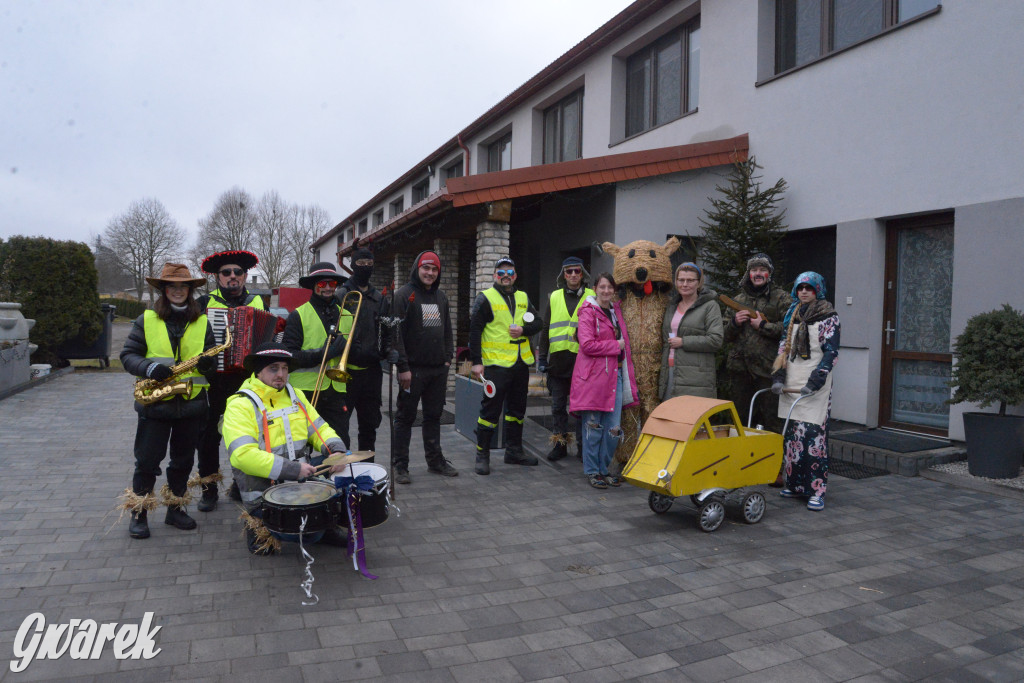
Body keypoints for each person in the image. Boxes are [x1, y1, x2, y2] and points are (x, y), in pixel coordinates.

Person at [222, 342, 350, 554]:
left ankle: (325, 525)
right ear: (259, 371)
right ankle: (257, 525)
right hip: (263, 487)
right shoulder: (240, 404)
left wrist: (335, 450)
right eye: (273, 368)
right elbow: (242, 456)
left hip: (299, 477)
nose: (281, 374)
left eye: (284, 368)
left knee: (346, 470)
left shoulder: (296, 395)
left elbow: (320, 429)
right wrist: (293, 470)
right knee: (271, 543)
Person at [119, 263, 216, 539]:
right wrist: (149, 368)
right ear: (164, 290)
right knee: (147, 462)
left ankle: (176, 509)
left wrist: (209, 364)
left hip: (191, 403)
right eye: (172, 286)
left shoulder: (202, 321)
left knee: (183, 461)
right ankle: (139, 512)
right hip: (156, 403)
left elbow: (210, 361)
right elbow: (128, 355)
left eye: (182, 286)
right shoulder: (146, 320)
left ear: (190, 290)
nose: (177, 291)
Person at [193, 249, 265, 512]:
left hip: (246, 383)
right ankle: (209, 490)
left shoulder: (258, 302)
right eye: (226, 273)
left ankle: (240, 484)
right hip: (213, 382)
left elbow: (266, 338)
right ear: (218, 277)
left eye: (238, 272)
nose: (232, 277)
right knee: (208, 438)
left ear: (245, 276)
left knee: (247, 437)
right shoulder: (203, 303)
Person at [771, 271, 840, 512]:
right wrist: (779, 375)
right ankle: (794, 484)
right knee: (792, 438)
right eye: (800, 287)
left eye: (809, 288)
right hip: (793, 379)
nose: (803, 292)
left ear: (817, 290)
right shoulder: (792, 314)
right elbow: (783, 346)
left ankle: (816, 490)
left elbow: (831, 352)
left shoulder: (828, 316)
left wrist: (816, 380)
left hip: (815, 382)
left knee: (813, 438)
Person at [469, 257, 544, 475]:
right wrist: (476, 362)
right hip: (495, 365)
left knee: (517, 411)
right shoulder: (486, 298)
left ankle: (514, 451)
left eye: (509, 272)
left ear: (515, 275)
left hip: (520, 364)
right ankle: (482, 454)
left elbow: (538, 322)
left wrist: (523, 330)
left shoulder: (523, 297)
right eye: (501, 273)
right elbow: (474, 331)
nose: (505, 276)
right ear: (494, 276)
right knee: (489, 412)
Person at [391, 250, 458, 484]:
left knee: (433, 416)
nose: (430, 273)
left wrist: (448, 359)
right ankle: (400, 466)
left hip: (438, 370)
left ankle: (435, 462)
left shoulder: (441, 297)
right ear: (417, 269)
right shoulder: (403, 295)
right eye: (426, 268)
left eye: (434, 269)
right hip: (412, 371)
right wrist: (403, 367)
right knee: (405, 418)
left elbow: (447, 331)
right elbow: (395, 335)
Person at [569, 273, 639, 489]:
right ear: (595, 288)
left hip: (614, 376)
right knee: (593, 425)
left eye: (610, 287)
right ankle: (592, 471)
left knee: (613, 427)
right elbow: (587, 345)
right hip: (593, 377)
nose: (606, 291)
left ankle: (604, 468)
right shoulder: (587, 313)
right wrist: (614, 346)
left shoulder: (616, 312)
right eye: (602, 287)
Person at [283, 262, 353, 446]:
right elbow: (290, 356)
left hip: (336, 390)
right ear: (314, 286)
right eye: (322, 284)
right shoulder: (298, 315)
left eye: (332, 284)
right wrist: (325, 353)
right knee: (301, 446)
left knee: (340, 444)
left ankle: (333, 475)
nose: (328, 288)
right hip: (305, 391)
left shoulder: (346, 315)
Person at [723, 253, 790, 435]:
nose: (758, 273)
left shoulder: (782, 298)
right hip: (740, 371)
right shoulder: (737, 301)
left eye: (763, 270)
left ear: (770, 273)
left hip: (768, 370)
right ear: (749, 273)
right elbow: (723, 336)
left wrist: (763, 326)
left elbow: (791, 330)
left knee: (772, 421)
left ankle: (773, 461)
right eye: (754, 270)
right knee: (739, 420)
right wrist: (734, 323)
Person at [537, 257, 594, 461]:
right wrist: (542, 358)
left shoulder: (591, 296)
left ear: (582, 274)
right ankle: (560, 446)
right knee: (558, 407)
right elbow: (545, 328)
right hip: (557, 364)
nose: (572, 275)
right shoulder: (554, 297)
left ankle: (582, 448)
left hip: (583, 364)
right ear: (563, 275)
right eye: (568, 272)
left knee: (580, 410)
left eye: (576, 271)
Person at [335, 248, 389, 456]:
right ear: (353, 265)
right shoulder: (342, 295)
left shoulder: (379, 298)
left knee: (369, 426)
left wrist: (387, 351)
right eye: (361, 263)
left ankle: (367, 470)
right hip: (346, 373)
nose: (365, 267)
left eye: (369, 263)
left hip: (372, 373)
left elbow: (386, 330)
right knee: (341, 428)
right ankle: (343, 472)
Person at [658, 262, 723, 400]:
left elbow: (716, 340)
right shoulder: (671, 306)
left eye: (690, 280)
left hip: (696, 378)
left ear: (699, 283)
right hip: (670, 371)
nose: (685, 284)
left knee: (693, 419)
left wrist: (683, 341)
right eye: (681, 280)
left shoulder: (710, 306)